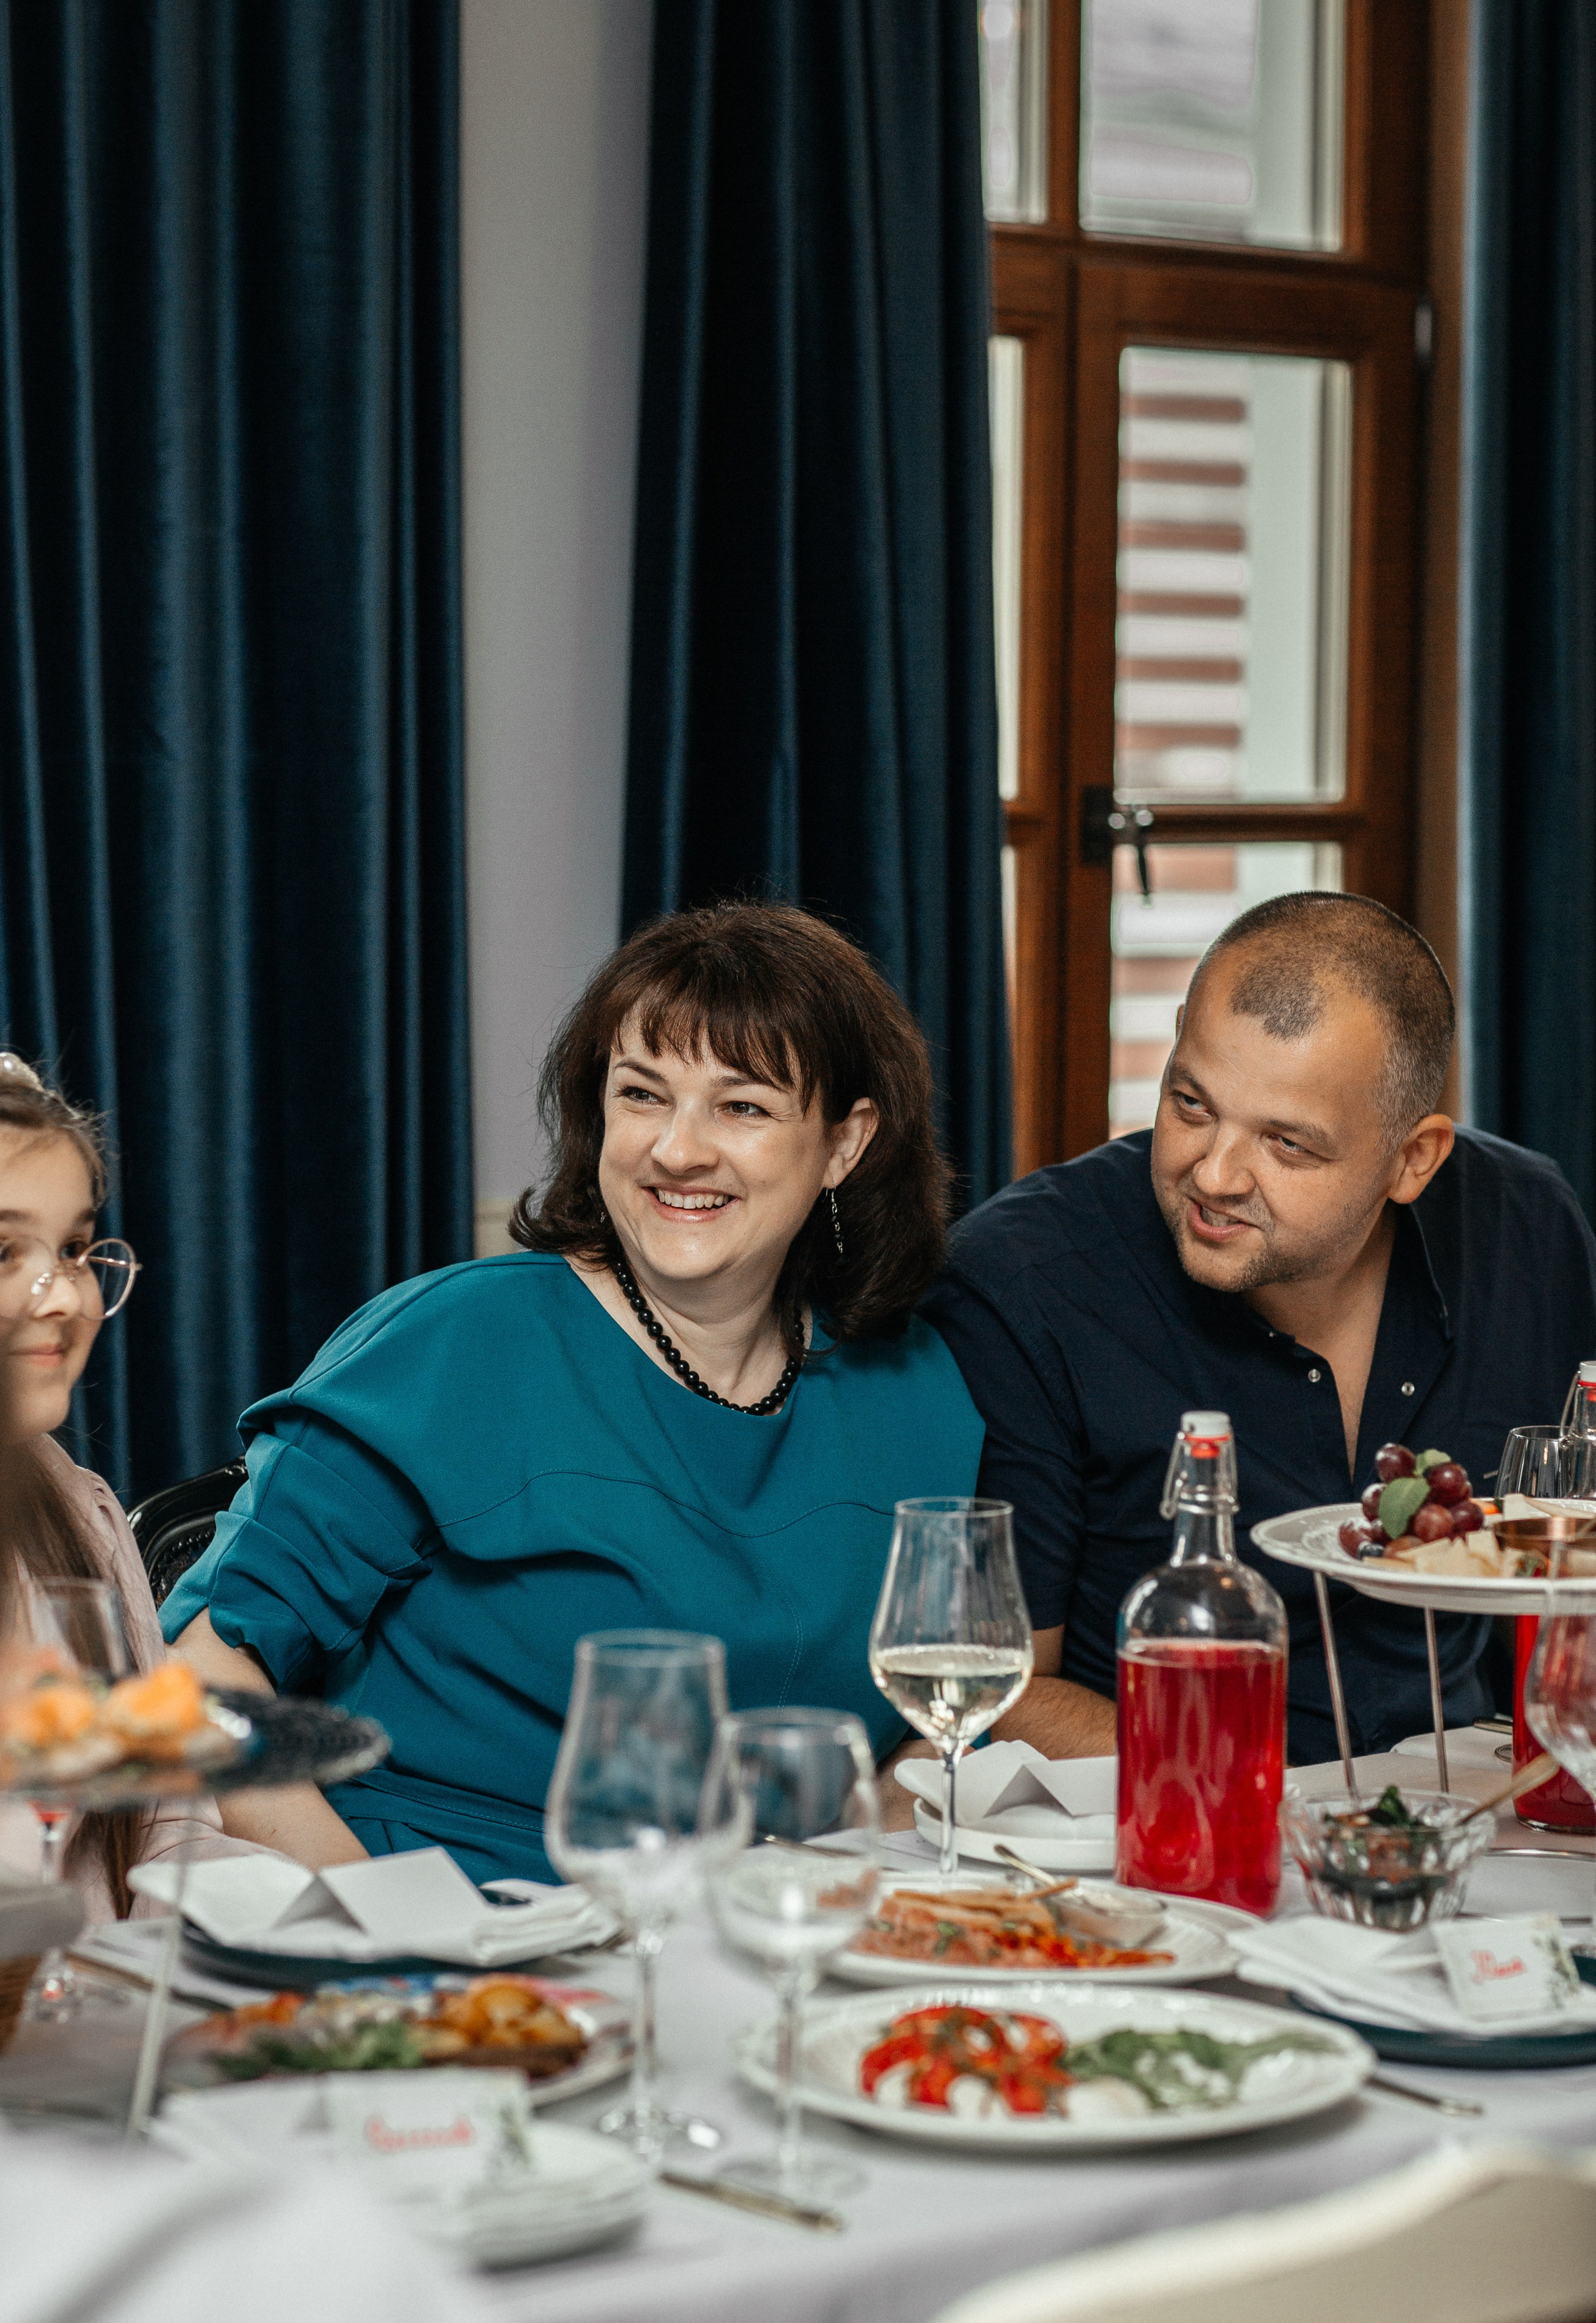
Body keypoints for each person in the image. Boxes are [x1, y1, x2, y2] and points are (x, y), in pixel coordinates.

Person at [163, 903, 984, 1882]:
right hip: (447, 1924)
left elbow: (926, 1719)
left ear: (846, 1144)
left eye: (744, 1106)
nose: (678, 1149)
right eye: (643, 1094)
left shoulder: (915, 1388)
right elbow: (202, 1677)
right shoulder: (453, 1347)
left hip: (758, 1933)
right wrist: (385, 1932)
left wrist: (856, 1878)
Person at [923, 893, 1596, 1763]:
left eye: (1287, 1145)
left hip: (1481, 1813)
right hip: (1158, 1832)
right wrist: (1284, 1810)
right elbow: (1002, 1692)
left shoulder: (1525, 1225)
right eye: (1192, 1102)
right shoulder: (1022, 1278)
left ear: (1412, 1159)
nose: (1214, 1173)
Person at [0, 1056, 262, 1920]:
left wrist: (292, 1924)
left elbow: (165, 1824)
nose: (65, 1295)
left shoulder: (78, 1511)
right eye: (5, 1251)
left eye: (74, 1247)